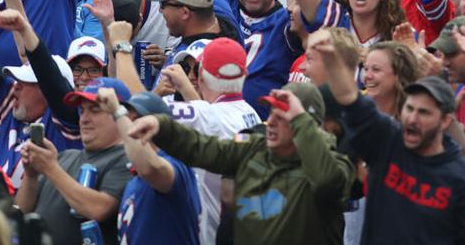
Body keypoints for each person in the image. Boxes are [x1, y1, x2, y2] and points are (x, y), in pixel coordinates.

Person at [314, 26, 465, 244]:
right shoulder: (388, 142)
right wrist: (332, 60)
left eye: (424, 112)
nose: (412, 118)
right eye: (410, 109)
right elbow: (350, 99)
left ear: (445, 121)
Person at [130, 80, 354, 243]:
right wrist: (163, 127)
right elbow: (203, 146)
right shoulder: (254, 147)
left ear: (305, 123)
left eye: (282, 117)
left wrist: (301, 121)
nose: (271, 121)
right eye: (271, 113)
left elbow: (326, 182)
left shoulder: (335, 164)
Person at [15, 78, 133, 245]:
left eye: (95, 110)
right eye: (82, 110)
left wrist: (49, 167)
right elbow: (21, 213)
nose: (84, 119)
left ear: (121, 114)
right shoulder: (64, 156)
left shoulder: (126, 159)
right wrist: (31, 175)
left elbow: (99, 209)